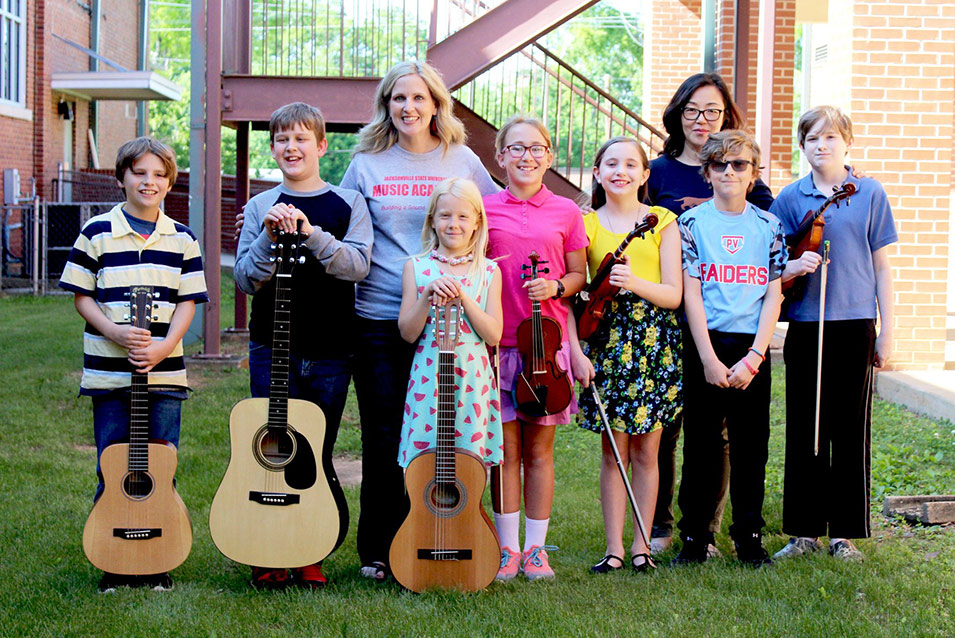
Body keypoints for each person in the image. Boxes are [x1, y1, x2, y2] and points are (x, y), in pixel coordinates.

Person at [339, 60, 497, 581]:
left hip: (452, 327)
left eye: (418, 98)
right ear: (386, 106)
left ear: (436, 104)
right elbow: (345, 228)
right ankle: (381, 549)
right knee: (386, 436)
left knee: (443, 435)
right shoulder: (366, 163)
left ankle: (435, 533)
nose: (408, 107)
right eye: (397, 99)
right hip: (383, 315)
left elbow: (491, 217)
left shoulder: (463, 158)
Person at [59, 136, 209, 592]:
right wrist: (115, 332)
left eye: (159, 175)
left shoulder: (182, 238)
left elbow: (188, 303)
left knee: (160, 462)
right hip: (108, 372)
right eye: (139, 172)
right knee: (113, 464)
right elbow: (82, 295)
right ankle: (113, 559)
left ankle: (157, 557)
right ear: (121, 176)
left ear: (170, 182)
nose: (149, 182)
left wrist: (163, 348)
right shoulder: (97, 232)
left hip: (163, 376)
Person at [234, 102, 372, 589]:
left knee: (316, 447)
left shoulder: (348, 203)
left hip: (332, 348)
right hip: (271, 347)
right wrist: (269, 239)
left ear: (321, 145)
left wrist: (312, 235)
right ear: (272, 147)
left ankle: (311, 548)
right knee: (271, 445)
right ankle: (268, 547)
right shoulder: (258, 207)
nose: (291, 148)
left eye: (300, 139)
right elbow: (246, 280)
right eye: (282, 140)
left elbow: (357, 266)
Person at [645, 72, 773, 556]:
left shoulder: (745, 180)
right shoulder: (656, 172)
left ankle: (709, 528)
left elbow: (771, 234)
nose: (702, 120)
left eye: (713, 111)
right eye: (693, 110)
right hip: (668, 317)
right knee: (667, 428)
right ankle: (660, 525)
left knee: (719, 433)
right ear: (679, 114)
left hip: (730, 320)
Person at [770, 106, 896, 562]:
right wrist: (793, 265)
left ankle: (844, 532)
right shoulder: (789, 198)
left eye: (830, 138)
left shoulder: (869, 193)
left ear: (847, 143)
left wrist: (887, 331)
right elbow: (773, 266)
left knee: (848, 427)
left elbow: (882, 266)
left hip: (856, 321)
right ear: (801, 147)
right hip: (807, 323)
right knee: (806, 426)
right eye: (811, 139)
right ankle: (804, 531)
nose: (821, 146)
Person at [567, 137, 683, 574]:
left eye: (631, 164)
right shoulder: (586, 225)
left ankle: (642, 546)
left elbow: (673, 294)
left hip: (653, 341)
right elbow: (578, 294)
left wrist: (634, 282)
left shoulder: (662, 222)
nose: (621, 171)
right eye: (611, 163)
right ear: (597, 173)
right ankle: (614, 548)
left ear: (645, 174)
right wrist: (578, 349)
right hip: (608, 340)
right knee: (613, 451)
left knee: (648, 452)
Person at [673, 130, 785, 567]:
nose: (729, 172)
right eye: (720, 164)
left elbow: (773, 295)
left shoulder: (768, 225)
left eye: (739, 165)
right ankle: (695, 538)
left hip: (751, 345)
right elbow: (693, 294)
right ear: (707, 172)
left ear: (754, 173)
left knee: (751, 445)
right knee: (700, 444)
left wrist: (756, 356)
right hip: (707, 342)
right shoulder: (692, 224)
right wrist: (707, 358)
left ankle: (749, 537)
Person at [484, 115, 588, 581]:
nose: (527, 157)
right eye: (517, 148)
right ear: (500, 156)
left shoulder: (566, 211)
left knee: (539, 451)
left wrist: (556, 287)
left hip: (545, 351)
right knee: (504, 452)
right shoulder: (485, 208)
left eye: (537, 149)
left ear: (549, 156)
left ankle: (536, 550)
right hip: (498, 345)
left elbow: (577, 276)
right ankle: (506, 549)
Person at [397, 177, 503, 467]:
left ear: (477, 223)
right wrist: (427, 294)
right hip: (428, 376)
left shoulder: (489, 271)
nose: (453, 224)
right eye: (445, 215)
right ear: (432, 221)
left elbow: (493, 335)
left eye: (462, 216)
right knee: (425, 461)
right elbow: (407, 333)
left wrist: (465, 299)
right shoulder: (416, 267)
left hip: (472, 379)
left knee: (469, 463)